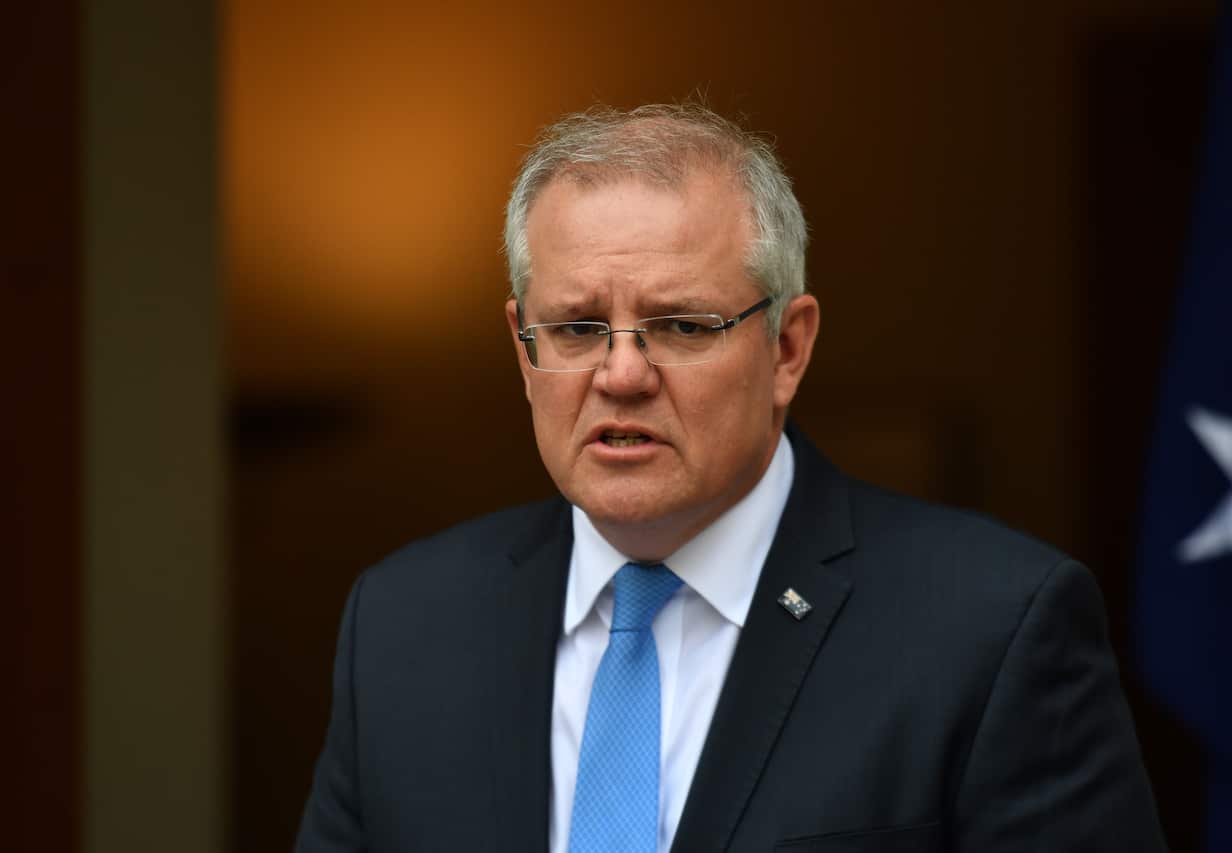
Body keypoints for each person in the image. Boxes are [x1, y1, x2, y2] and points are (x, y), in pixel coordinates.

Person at [295, 103, 1167, 852]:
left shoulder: (992, 628)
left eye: (681, 325)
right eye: (577, 328)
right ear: (524, 350)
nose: (622, 373)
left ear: (787, 348)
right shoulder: (403, 625)